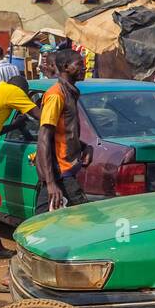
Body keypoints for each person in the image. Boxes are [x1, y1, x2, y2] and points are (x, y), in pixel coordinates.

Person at [34, 49, 91, 213]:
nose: (84, 68)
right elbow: (44, 139)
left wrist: (85, 147)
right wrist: (51, 183)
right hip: (60, 173)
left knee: (46, 222)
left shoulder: (70, 93)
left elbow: (64, 134)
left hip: (65, 172)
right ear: (66, 67)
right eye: (79, 64)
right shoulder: (56, 95)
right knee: (85, 219)